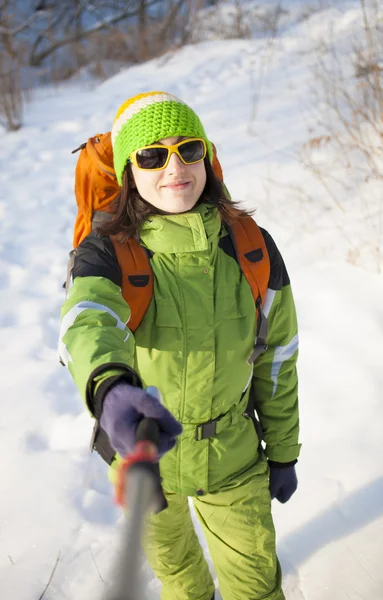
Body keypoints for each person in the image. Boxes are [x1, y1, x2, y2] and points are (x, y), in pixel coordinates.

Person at [59, 91, 300, 600]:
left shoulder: (250, 245)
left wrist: (282, 452)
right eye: (152, 155)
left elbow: (277, 356)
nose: (175, 167)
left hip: (233, 458)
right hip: (144, 456)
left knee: (256, 588)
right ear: (129, 170)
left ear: (206, 159)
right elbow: (87, 319)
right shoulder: (107, 250)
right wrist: (109, 388)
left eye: (188, 149)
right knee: (182, 583)